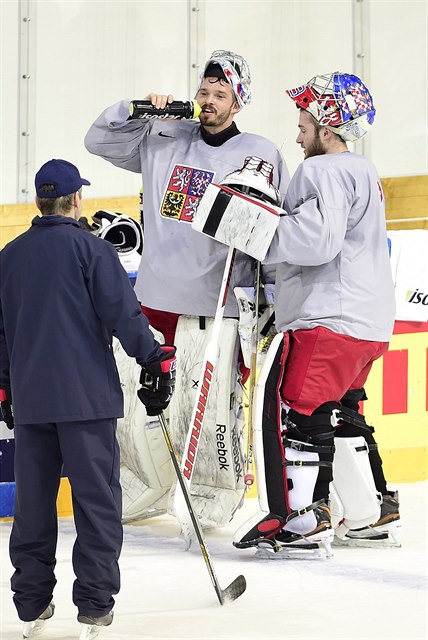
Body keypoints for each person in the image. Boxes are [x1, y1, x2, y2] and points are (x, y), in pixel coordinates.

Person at [84, 50, 290, 529]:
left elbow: (271, 232)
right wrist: (139, 109)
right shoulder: (163, 134)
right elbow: (97, 141)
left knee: (212, 407)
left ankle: (210, 497)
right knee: (136, 404)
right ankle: (141, 486)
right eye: (204, 92)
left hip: (216, 305)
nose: (210, 102)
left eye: (221, 95)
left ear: (238, 103)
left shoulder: (260, 152)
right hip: (155, 301)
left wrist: (274, 296)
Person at [0, 159, 176, 639]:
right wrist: (155, 360)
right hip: (87, 404)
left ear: (39, 200)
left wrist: (4, 389)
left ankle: (32, 605)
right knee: (96, 505)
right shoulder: (93, 250)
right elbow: (124, 314)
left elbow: (0, 335)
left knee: (33, 507)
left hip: (32, 405)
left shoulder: (8, 256)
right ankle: (94, 606)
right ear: (77, 199)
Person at [233, 72, 400, 557]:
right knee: (342, 412)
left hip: (327, 317)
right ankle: (371, 511)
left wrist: (256, 229)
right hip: (367, 323)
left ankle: (305, 519)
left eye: (305, 121)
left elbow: (314, 241)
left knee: (300, 414)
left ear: (327, 127)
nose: (298, 132)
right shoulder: (362, 169)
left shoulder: (319, 171)